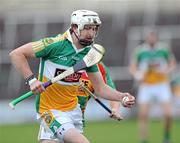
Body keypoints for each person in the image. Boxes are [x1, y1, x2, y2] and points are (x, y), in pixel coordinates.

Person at [9, 9, 135, 143]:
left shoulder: (89, 54)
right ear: (75, 27)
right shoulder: (54, 44)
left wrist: (121, 97)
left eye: (94, 29)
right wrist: (32, 80)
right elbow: (16, 54)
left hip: (74, 112)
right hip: (50, 111)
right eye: (87, 28)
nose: (91, 34)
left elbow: (100, 88)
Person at [129, 30, 176, 143]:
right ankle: (144, 140)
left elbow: (172, 64)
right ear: (147, 38)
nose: (151, 39)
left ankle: (166, 137)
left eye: (153, 37)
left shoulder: (163, 49)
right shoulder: (140, 51)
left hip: (161, 85)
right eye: (149, 37)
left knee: (168, 114)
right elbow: (133, 67)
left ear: (156, 38)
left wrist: (166, 71)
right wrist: (138, 75)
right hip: (146, 86)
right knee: (143, 115)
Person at [78, 62, 123, 127]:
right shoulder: (63, 57)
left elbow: (110, 91)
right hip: (60, 112)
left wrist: (114, 109)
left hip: (78, 117)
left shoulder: (98, 66)